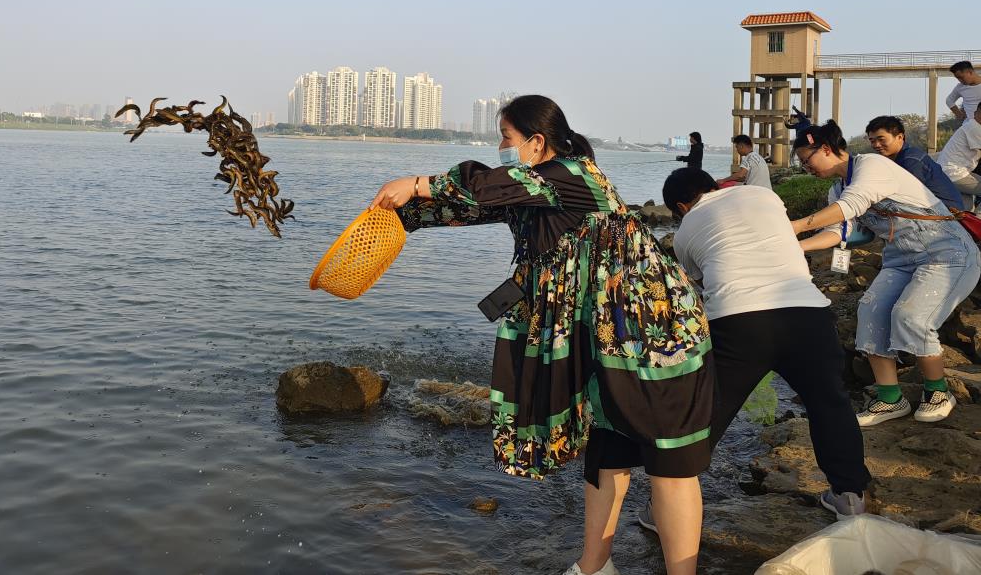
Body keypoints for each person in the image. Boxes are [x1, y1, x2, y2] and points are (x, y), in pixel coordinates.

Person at [371, 95, 713, 575]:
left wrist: (417, 181)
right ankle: (594, 569)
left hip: (654, 340)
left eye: (506, 138)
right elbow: (473, 204)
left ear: (536, 142)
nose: (500, 147)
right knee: (606, 453)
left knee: (670, 465)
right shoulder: (534, 192)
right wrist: (398, 211)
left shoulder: (574, 175)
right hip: (605, 345)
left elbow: (487, 184)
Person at [658, 168, 871, 519]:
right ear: (712, 185)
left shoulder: (684, 233)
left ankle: (666, 506)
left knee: (709, 411)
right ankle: (849, 496)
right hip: (808, 313)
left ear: (682, 205)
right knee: (830, 404)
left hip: (740, 321)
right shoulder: (765, 196)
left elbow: (699, 282)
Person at [791, 120, 980, 427]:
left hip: (948, 254)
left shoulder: (871, 165)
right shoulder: (836, 190)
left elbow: (853, 204)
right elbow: (840, 231)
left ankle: (939, 392)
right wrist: (797, 245)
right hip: (900, 259)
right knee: (871, 311)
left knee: (912, 316)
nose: (805, 167)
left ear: (825, 149)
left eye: (805, 160)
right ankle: (891, 398)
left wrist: (797, 225)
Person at [865, 115, 963, 211]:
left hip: (948, 213)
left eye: (881, 139)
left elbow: (907, 196)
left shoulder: (911, 160)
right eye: (872, 141)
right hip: (933, 209)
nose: (877, 145)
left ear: (900, 137)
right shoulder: (896, 159)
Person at [936, 103, 981, 212]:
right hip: (955, 173)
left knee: (966, 210)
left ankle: (968, 226)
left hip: (951, 173)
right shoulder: (975, 127)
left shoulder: (971, 126)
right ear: (975, 114)